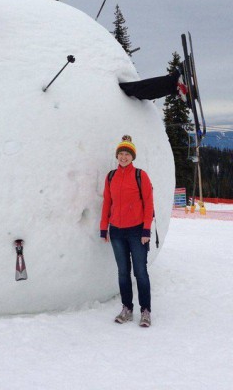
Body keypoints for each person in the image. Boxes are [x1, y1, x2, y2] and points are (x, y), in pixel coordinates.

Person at [100, 135, 154, 327]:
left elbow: (148, 203)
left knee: (140, 272)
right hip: (116, 232)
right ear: (117, 156)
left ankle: (145, 311)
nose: (123, 157)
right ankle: (127, 309)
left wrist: (146, 229)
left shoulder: (141, 175)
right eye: (121, 154)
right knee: (123, 272)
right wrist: (103, 227)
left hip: (137, 231)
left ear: (132, 157)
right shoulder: (111, 176)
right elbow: (107, 202)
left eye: (127, 154)